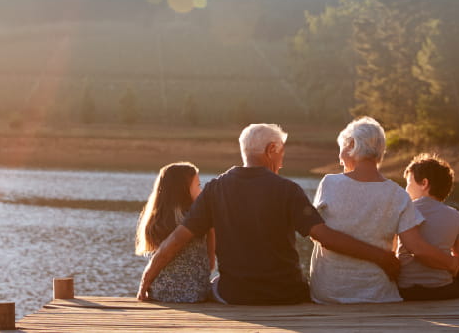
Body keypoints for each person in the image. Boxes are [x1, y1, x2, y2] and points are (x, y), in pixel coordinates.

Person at [137, 123, 400, 305]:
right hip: (287, 294)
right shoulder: (288, 189)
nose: (283, 161)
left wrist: (146, 280)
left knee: (216, 283)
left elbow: (176, 240)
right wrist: (381, 257)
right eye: (281, 152)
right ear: (271, 150)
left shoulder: (216, 188)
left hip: (235, 295)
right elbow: (324, 236)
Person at [309, 117, 459, 304]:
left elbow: (317, 234)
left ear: (352, 144)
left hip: (329, 293)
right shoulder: (398, 194)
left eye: (341, 149)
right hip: (377, 295)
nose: (339, 159)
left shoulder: (330, 183)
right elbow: (418, 248)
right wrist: (452, 263)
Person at [397, 153, 459, 300]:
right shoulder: (455, 216)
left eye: (408, 183)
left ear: (424, 183)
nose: (405, 188)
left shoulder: (403, 211)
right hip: (442, 290)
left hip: (407, 291)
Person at [135, 162, 216, 302]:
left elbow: (161, 257)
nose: (201, 190)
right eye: (198, 186)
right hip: (194, 295)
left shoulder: (156, 219)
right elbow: (210, 264)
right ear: (183, 190)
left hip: (160, 293)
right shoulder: (199, 219)